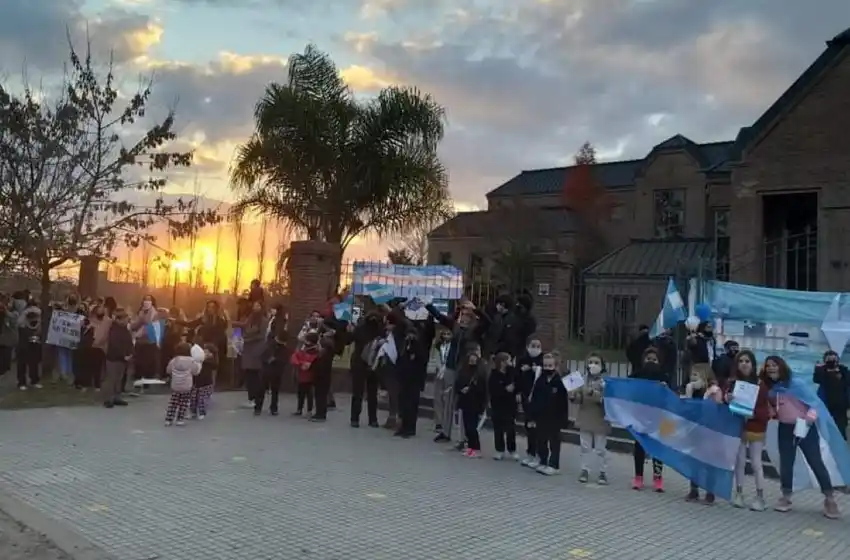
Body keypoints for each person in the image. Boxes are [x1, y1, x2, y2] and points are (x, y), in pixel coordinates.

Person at [763, 355, 840, 518]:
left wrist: (808, 420)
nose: (771, 368)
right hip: (785, 428)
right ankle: (786, 496)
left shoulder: (797, 384)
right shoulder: (771, 389)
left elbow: (815, 404)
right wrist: (772, 412)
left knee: (815, 462)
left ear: (781, 366)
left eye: (774, 365)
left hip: (805, 427)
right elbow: (774, 407)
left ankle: (829, 498)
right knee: (786, 463)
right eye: (768, 365)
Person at [425, 299, 490, 442]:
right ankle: (446, 432)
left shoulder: (475, 331)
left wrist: (476, 308)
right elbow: (440, 317)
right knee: (448, 401)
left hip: (465, 370)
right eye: (463, 314)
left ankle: (465, 436)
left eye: (467, 315)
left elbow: (487, 322)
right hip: (451, 367)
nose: (464, 317)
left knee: (464, 403)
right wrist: (428, 305)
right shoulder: (455, 327)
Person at [724, 350, 768, 511]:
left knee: (756, 463)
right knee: (739, 462)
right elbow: (725, 401)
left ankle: (760, 496)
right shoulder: (732, 382)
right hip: (737, 426)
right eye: (741, 361)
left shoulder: (760, 384)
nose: (744, 364)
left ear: (753, 364)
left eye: (747, 361)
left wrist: (753, 414)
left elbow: (764, 408)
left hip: (755, 427)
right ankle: (739, 493)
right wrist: (726, 398)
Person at [630, 347, 668, 491]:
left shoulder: (664, 376)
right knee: (639, 446)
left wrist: (665, 388)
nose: (651, 362)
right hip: (640, 416)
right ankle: (638, 476)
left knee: (658, 448)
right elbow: (628, 389)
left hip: (659, 417)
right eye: (648, 359)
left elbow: (671, 397)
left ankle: (658, 477)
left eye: (654, 359)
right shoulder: (637, 375)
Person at [571, 352, 610, 485]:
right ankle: (584, 470)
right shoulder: (581, 379)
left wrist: (593, 393)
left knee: (600, 448)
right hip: (585, 417)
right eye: (590, 362)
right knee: (585, 446)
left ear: (602, 365)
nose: (593, 365)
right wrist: (573, 396)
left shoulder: (606, 381)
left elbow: (607, 400)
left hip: (600, 418)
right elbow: (578, 399)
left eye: (596, 363)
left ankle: (603, 472)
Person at [527, 352, 568, 475]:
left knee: (554, 441)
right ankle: (543, 461)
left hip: (555, 417)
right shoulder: (540, 380)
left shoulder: (559, 381)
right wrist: (532, 416)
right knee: (541, 440)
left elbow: (563, 402)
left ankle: (554, 465)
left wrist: (563, 419)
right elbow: (534, 398)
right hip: (541, 416)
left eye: (550, 365)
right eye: (545, 365)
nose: (547, 368)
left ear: (555, 366)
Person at [349, 312, 385, 428]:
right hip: (369, 364)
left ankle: (356, 419)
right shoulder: (380, 330)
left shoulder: (361, 329)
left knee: (360, 392)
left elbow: (349, 340)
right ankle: (371, 419)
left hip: (363, 363)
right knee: (369, 393)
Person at [454, 346, 488, 458]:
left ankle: (477, 448)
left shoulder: (480, 373)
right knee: (467, 426)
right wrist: (461, 389)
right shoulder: (464, 371)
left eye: (474, 357)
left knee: (472, 427)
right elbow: (457, 384)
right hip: (465, 401)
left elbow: (483, 389)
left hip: (475, 402)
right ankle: (470, 447)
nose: (472, 359)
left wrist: (472, 389)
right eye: (470, 357)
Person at [488, 352, 518, 460]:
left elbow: (517, 383)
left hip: (510, 405)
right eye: (508, 360)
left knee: (510, 429)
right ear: (502, 362)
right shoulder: (494, 375)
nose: (510, 363)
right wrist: (505, 389)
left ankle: (512, 450)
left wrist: (515, 389)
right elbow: (493, 390)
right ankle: (499, 450)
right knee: (498, 429)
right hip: (498, 405)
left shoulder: (512, 373)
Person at [813, 350, 849, 440]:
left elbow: (848, 383)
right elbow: (817, 379)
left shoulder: (843, 370)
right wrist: (819, 369)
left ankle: (841, 445)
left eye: (834, 360)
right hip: (826, 403)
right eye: (829, 360)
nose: (832, 362)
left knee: (841, 427)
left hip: (841, 404)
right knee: (825, 426)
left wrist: (838, 372)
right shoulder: (822, 371)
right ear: (825, 361)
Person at [518, 339, 544, 466]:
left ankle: (539, 455)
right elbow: (518, 376)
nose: (535, 348)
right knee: (528, 426)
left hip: (538, 398)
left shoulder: (543, 360)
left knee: (537, 427)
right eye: (533, 346)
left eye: (538, 346)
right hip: (525, 396)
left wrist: (536, 369)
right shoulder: (523, 359)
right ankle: (530, 453)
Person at [240, 300, 269, 409]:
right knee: (249, 374)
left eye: (258, 305)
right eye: (254, 305)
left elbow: (261, 335)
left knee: (255, 375)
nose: (255, 307)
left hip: (256, 350)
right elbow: (244, 326)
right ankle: (250, 398)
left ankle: (255, 399)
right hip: (248, 349)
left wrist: (246, 339)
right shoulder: (250, 318)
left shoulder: (263, 320)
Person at [164, 342, 201, 427]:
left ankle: (168, 419)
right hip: (186, 386)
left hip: (175, 385)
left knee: (173, 403)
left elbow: (168, 370)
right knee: (183, 403)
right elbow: (196, 372)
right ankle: (180, 419)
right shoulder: (191, 361)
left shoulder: (174, 360)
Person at [102, 309, 132, 408]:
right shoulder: (114, 330)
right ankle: (108, 399)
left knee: (119, 379)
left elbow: (129, 342)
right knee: (111, 379)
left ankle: (117, 397)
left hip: (123, 358)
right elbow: (115, 344)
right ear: (119, 319)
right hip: (113, 357)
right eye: (126, 318)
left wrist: (130, 353)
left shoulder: (125, 330)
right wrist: (123, 354)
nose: (128, 320)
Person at [254, 328, 287, 416]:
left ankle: (262, 408)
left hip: (272, 371)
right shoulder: (272, 345)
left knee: (269, 390)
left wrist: (274, 360)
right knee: (268, 390)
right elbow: (263, 356)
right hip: (270, 371)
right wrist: (269, 359)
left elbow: (284, 360)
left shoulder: (273, 345)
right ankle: (267, 408)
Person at [130, 295, 160, 387]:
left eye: (149, 300)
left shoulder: (155, 313)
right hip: (140, 341)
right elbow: (135, 325)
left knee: (148, 363)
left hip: (149, 341)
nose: (146, 302)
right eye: (145, 300)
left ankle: (147, 382)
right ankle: (138, 380)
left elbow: (151, 325)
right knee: (138, 362)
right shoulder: (140, 312)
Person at [429, 328, 453, 437]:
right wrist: (440, 368)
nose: (446, 336)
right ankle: (438, 422)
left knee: (447, 398)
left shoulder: (454, 346)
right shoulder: (438, 345)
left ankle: (446, 422)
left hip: (450, 372)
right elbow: (435, 357)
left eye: (448, 334)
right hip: (439, 372)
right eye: (444, 334)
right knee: (438, 398)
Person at [290, 331, 320, 416]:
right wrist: (302, 363)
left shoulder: (312, 351)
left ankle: (307, 410)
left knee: (308, 394)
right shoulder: (306, 350)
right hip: (303, 375)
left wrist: (303, 364)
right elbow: (294, 357)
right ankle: (301, 409)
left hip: (309, 376)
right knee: (301, 393)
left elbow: (295, 357)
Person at [16, 303, 43, 390]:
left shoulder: (37, 319)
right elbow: (19, 323)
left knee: (33, 363)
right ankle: (23, 382)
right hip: (24, 344)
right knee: (23, 363)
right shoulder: (23, 321)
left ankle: (31, 381)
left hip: (32, 344)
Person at [310, 336, 336, 422]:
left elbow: (319, 367)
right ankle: (321, 413)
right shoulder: (328, 354)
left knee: (320, 397)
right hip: (325, 379)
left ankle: (320, 414)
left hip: (321, 379)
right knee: (322, 397)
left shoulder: (323, 356)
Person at [190, 344, 217, 420]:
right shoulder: (196, 362)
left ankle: (202, 413)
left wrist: (206, 359)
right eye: (204, 352)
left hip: (206, 383)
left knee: (202, 399)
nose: (205, 354)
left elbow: (215, 365)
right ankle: (193, 413)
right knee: (193, 399)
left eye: (207, 352)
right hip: (196, 383)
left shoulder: (209, 362)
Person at [0, 298, 18, 379]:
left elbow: (12, 318)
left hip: (7, 338)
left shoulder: (14, 313)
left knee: (6, 353)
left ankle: (4, 369)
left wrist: (5, 310)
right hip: (3, 337)